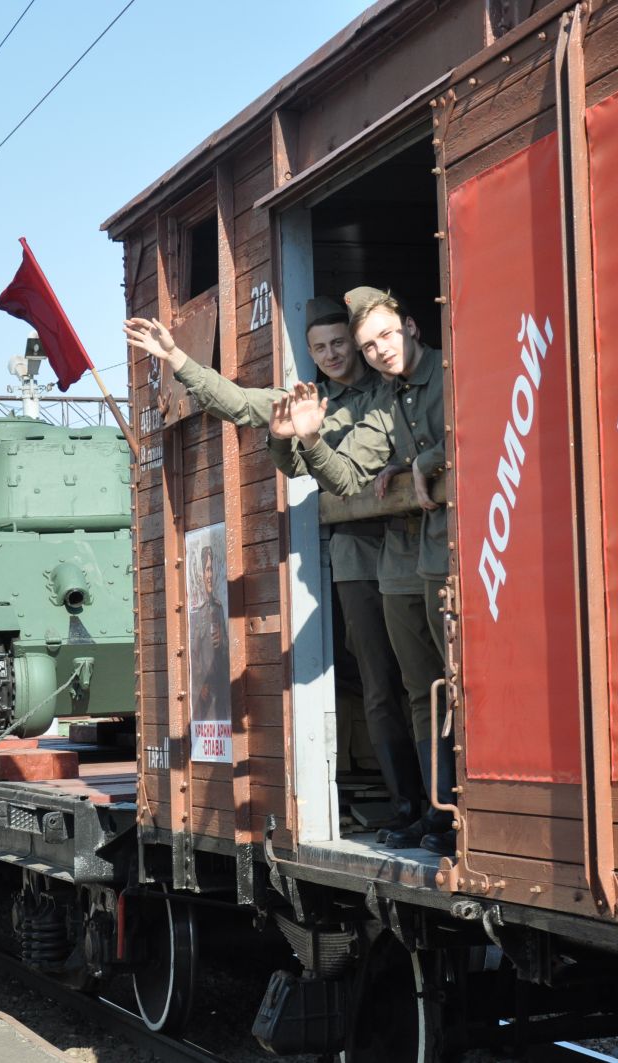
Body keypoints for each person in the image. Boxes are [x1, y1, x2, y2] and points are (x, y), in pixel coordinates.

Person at [123, 301, 424, 829]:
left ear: (356, 344)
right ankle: (406, 806)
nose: (331, 355)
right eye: (319, 348)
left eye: (339, 344)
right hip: (358, 552)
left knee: (422, 680)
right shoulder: (312, 401)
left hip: (413, 545)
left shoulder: (391, 388)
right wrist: (177, 358)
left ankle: (437, 808)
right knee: (379, 683)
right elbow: (239, 403)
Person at [272, 287, 455, 856]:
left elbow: (473, 424)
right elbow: (346, 477)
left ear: (413, 328)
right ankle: (431, 806)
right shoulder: (385, 400)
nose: (376, 350)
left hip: (450, 550)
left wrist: (422, 461)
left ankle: (449, 807)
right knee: (409, 686)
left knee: (448, 683)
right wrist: (302, 437)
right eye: (366, 343)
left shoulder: (448, 374)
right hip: (412, 552)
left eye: (384, 337)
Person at [190, 545, 228, 724]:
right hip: (205, 691)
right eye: (207, 570)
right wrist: (201, 683)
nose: (210, 575)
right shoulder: (198, 612)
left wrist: (222, 641)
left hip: (220, 688)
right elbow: (193, 652)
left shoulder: (219, 608)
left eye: (212, 569)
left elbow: (227, 648)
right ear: (201, 574)